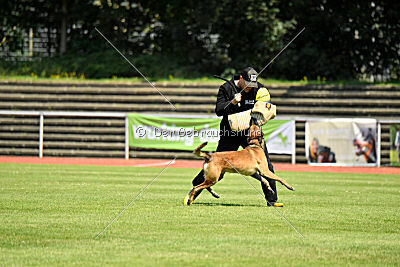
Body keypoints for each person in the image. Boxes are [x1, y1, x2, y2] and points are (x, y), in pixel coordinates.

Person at [186, 67, 283, 207]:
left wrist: (266, 106)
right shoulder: (226, 88)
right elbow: (219, 111)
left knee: (266, 165)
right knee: (217, 163)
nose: (251, 87)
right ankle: (194, 190)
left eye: (253, 85)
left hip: (250, 134)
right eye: (248, 84)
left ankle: (272, 200)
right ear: (242, 79)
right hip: (229, 133)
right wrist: (233, 102)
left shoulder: (258, 89)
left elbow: (265, 107)